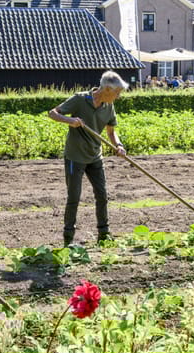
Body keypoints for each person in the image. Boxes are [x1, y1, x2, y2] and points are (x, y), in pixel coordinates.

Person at [48, 70, 128, 246]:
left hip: (95, 157)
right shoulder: (80, 99)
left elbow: (111, 132)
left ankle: (104, 235)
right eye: (117, 92)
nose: (118, 96)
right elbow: (52, 113)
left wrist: (119, 145)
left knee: (102, 195)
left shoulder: (109, 106)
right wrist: (70, 121)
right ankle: (68, 239)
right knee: (74, 197)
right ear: (107, 89)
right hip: (75, 157)